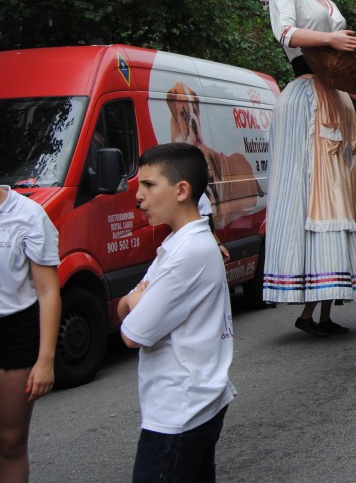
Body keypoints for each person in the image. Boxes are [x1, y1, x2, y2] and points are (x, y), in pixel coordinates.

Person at [263, 0, 356, 336]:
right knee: (313, 195)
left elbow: (339, 68)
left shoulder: (328, 2)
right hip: (306, 99)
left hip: (337, 99)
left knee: (339, 198)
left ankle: (323, 312)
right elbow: (286, 34)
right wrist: (332, 39)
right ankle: (309, 305)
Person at [118, 143, 236, 483]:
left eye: (149, 185)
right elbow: (126, 306)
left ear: (181, 190)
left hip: (179, 411)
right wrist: (134, 301)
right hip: (195, 403)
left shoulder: (186, 252)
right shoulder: (179, 244)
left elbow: (131, 334)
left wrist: (135, 300)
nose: (138, 196)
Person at [0, 185, 59, 483]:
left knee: (10, 442)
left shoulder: (28, 215)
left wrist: (45, 360)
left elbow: (48, 292)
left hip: (14, 335)